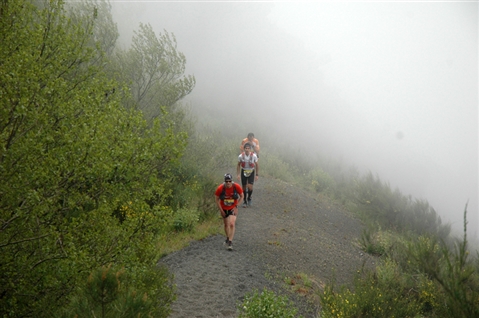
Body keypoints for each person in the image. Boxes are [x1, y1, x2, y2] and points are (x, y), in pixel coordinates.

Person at [215, 173, 244, 250]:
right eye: (226, 181)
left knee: (232, 223)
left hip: (232, 208)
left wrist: (236, 206)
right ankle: (227, 238)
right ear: (224, 181)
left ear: (232, 181)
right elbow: (216, 199)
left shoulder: (236, 187)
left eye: (229, 181)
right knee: (226, 224)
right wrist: (221, 210)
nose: (228, 183)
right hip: (224, 208)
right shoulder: (220, 188)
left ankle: (230, 242)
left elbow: (242, 196)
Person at [237, 142, 259, 208]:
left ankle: (249, 197)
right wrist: (238, 174)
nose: (247, 149)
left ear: (250, 149)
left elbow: (257, 165)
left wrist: (257, 174)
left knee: (250, 187)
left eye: (248, 148)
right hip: (244, 171)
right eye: (246, 148)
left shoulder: (254, 156)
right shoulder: (241, 156)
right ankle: (244, 201)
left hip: (251, 171)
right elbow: (238, 165)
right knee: (243, 187)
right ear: (244, 149)